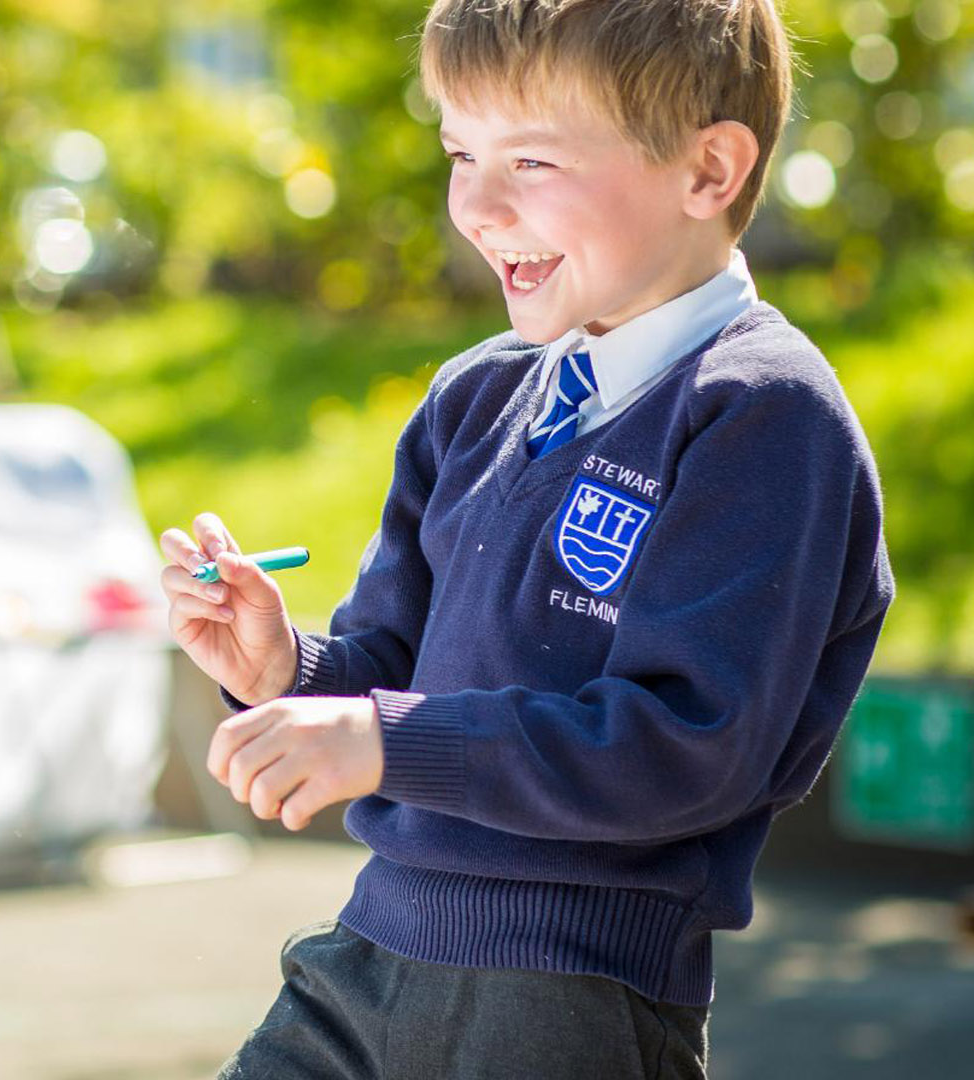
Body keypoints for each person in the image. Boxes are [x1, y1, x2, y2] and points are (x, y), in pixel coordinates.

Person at [157, 1, 894, 1076]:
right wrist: (288, 670)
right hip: (367, 960)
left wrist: (382, 739)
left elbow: (684, 745)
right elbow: (394, 674)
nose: (479, 206)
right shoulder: (473, 398)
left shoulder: (762, 415)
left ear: (708, 172)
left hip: (569, 997)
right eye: (462, 151)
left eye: (533, 160)